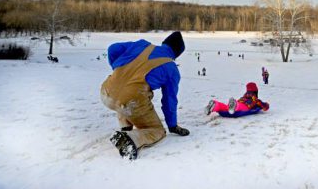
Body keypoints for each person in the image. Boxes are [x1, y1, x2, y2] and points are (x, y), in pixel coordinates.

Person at [100, 31, 189, 160]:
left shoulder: (141, 45)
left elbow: (113, 48)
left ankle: (125, 125)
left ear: (164, 43)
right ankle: (129, 139)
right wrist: (172, 125)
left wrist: (117, 71)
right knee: (157, 130)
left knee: (126, 93)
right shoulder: (171, 69)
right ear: (176, 54)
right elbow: (169, 101)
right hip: (129, 102)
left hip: (106, 91)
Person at [205, 82, 269, 116]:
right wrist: (266, 104)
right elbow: (264, 106)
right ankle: (234, 106)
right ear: (255, 91)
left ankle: (215, 105)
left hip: (239, 102)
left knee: (225, 107)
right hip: (245, 106)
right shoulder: (255, 99)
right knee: (239, 107)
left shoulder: (244, 96)